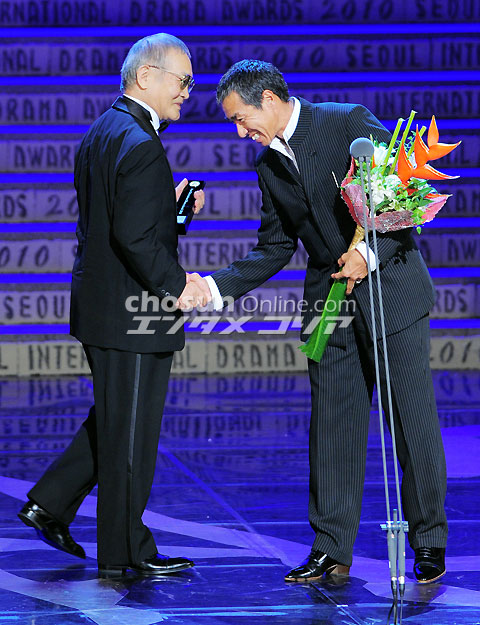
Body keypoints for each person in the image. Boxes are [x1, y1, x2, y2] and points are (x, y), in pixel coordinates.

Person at [189, 60, 448, 584]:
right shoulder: (268, 165)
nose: (240, 132)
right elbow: (274, 247)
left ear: (267, 98)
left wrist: (367, 255)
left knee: (410, 421)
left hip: (391, 292)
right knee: (331, 427)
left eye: (240, 119)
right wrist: (213, 288)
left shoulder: (346, 122)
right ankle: (331, 547)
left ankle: (428, 540)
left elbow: (404, 196)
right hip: (329, 306)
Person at [18, 33, 210, 579]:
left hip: (104, 305)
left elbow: (121, 222)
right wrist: (178, 286)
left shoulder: (103, 130)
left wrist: (173, 212)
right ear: (146, 76)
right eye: (183, 81)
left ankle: (51, 503)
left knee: (116, 419)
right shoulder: (141, 142)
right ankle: (126, 551)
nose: (187, 93)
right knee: (131, 435)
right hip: (132, 313)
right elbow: (134, 239)